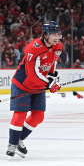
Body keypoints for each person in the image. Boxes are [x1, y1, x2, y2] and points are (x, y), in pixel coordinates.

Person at [6, 21, 62, 158]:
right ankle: (12, 144)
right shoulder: (33, 48)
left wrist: (54, 79)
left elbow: (51, 65)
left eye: (58, 33)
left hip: (38, 85)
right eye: (53, 34)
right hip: (22, 84)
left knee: (38, 116)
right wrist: (48, 83)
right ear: (46, 35)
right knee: (20, 114)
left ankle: (19, 140)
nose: (57, 37)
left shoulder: (58, 46)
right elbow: (32, 73)